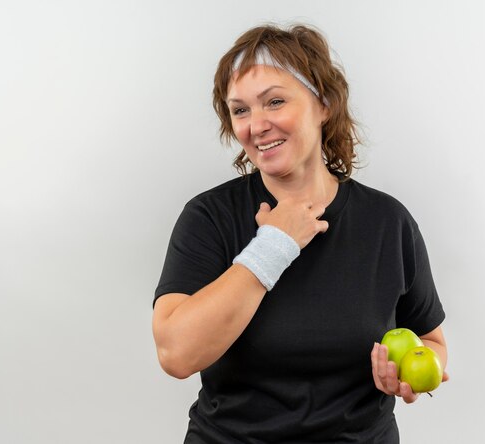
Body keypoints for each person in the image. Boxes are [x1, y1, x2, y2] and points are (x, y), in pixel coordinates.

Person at [152, 23, 448, 443]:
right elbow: (176, 354)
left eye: (274, 102)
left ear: (324, 103)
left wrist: (405, 376)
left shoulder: (388, 222)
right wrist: (273, 246)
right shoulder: (210, 217)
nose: (256, 125)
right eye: (240, 110)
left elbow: (431, 341)